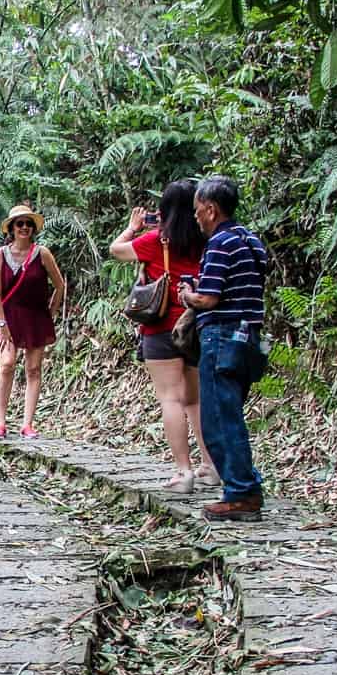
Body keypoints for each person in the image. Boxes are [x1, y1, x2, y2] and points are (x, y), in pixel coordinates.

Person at [110, 180, 216, 493]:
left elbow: (116, 250)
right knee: (196, 400)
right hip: (195, 325)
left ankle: (184, 473)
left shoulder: (157, 240)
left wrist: (132, 228)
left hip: (161, 330)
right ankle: (210, 467)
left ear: (165, 211)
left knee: (170, 398)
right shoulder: (208, 239)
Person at [177, 174, 271, 522]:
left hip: (222, 337)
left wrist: (187, 295)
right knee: (230, 415)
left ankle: (240, 493)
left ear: (212, 209)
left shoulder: (219, 244)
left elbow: (209, 297)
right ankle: (245, 485)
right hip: (248, 338)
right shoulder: (251, 241)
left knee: (218, 419)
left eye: (198, 210)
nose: (197, 217)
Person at [0, 204, 67, 439]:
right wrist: (2, 325)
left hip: (35, 316)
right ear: (11, 228)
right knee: (7, 364)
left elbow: (60, 284)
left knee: (33, 369)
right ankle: (0, 423)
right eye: (19, 223)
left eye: (28, 224)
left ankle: (27, 424)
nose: (24, 227)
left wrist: (50, 311)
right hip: (9, 317)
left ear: (33, 228)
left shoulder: (41, 253)